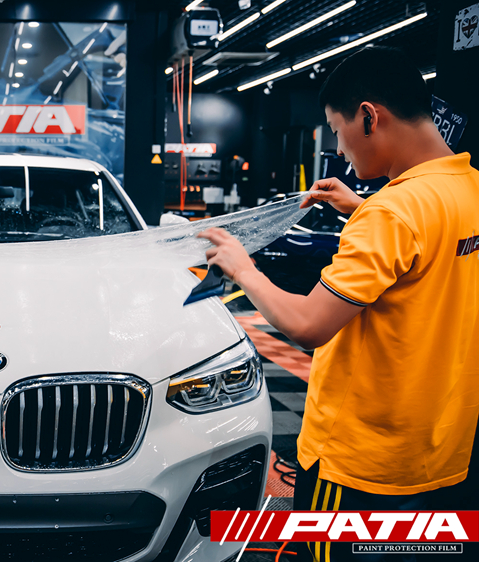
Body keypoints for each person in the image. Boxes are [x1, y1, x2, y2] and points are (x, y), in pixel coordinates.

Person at [200, 46, 479, 562]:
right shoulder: (468, 188)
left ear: (369, 117)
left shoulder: (392, 213)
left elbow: (308, 325)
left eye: (336, 129)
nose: (339, 148)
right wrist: (363, 208)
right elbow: (425, 247)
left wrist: (242, 268)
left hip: (358, 462)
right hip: (439, 450)